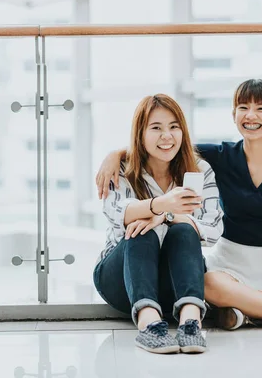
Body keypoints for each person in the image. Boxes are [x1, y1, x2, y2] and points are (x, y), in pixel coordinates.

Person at [95, 79, 262, 331]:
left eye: (261, 108)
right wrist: (114, 155)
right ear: (234, 115)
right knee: (209, 284)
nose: (251, 115)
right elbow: (162, 147)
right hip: (229, 266)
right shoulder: (220, 156)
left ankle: (250, 310)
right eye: (243, 107)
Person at [94, 94, 223, 354]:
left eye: (174, 127)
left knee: (184, 229)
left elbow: (213, 229)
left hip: (175, 283)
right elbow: (118, 213)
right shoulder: (121, 169)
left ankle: (191, 322)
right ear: (140, 134)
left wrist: (167, 216)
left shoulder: (200, 170)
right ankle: (149, 324)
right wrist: (160, 205)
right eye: (156, 128)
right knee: (141, 228)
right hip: (122, 279)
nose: (167, 136)